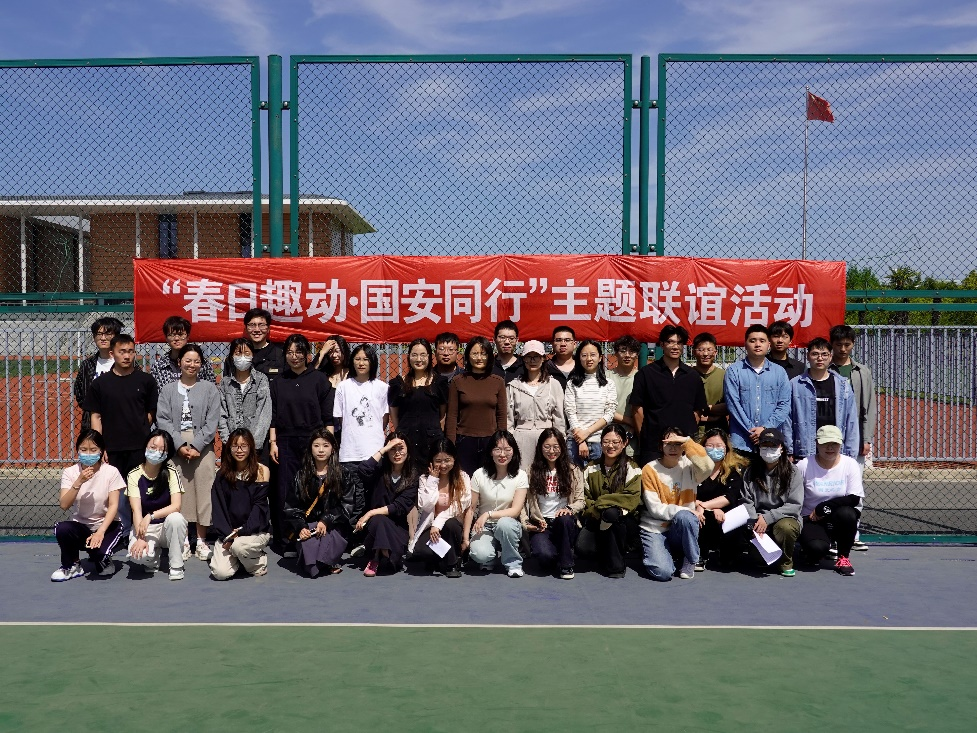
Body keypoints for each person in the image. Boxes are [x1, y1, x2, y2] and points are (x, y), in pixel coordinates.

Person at [83, 333, 158, 538]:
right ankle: (121, 532)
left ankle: (140, 529)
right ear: (112, 353)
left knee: (140, 489)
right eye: (122, 351)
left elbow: (150, 413)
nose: (127, 356)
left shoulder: (146, 380)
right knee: (116, 491)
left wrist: (139, 430)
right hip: (112, 447)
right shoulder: (100, 384)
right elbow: (96, 416)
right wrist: (100, 447)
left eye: (131, 351)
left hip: (139, 447)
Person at [155, 343, 221, 561]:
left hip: (203, 448)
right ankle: (183, 540)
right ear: (179, 362)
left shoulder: (210, 389)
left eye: (196, 361)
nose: (192, 365)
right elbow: (163, 419)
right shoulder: (167, 390)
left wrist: (197, 445)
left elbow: (212, 421)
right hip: (176, 448)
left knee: (204, 490)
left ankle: (201, 540)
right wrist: (179, 444)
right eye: (188, 360)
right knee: (180, 492)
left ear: (201, 365)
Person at [269, 333, 334, 552]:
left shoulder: (319, 379)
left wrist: (328, 445)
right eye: (289, 352)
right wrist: (273, 442)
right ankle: (286, 540)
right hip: (286, 441)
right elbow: (273, 416)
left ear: (307, 354)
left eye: (299, 352)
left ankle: (312, 537)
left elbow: (328, 418)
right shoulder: (279, 382)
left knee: (312, 488)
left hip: (313, 441)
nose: (294, 356)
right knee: (285, 490)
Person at [282, 428, 364, 577]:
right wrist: (301, 527)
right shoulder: (301, 475)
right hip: (309, 526)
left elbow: (347, 505)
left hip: (334, 526)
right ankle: (323, 563)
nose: (321, 450)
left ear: (333, 449)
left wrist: (326, 520)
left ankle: (323, 562)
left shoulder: (343, 474)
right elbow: (291, 508)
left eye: (326, 445)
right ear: (310, 448)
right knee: (311, 557)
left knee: (326, 543)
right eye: (316, 445)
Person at [639, 428, 714, 581]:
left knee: (686, 517)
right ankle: (667, 556)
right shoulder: (649, 469)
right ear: (660, 446)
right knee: (663, 573)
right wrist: (685, 510)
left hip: (680, 525)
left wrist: (687, 442)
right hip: (656, 527)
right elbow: (655, 509)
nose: (673, 448)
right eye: (668, 444)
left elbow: (708, 466)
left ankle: (690, 559)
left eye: (677, 444)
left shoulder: (690, 466)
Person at [52, 429, 125, 580]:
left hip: (107, 525)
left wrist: (100, 532)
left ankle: (103, 559)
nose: (88, 454)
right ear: (77, 450)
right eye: (84, 450)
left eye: (93, 450)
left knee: (100, 553)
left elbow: (113, 505)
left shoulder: (111, 472)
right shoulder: (70, 472)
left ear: (101, 451)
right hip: (82, 525)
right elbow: (64, 505)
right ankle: (72, 565)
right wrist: (79, 481)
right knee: (63, 529)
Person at [629, 325, 706, 465]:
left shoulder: (693, 376)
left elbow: (697, 411)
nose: (675, 346)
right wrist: (645, 438)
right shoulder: (646, 374)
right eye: (670, 342)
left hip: (684, 445)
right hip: (653, 445)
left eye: (679, 343)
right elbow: (637, 409)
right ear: (662, 344)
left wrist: (685, 435)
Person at [829, 324, 876, 552]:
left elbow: (869, 407)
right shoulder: (824, 368)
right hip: (829, 437)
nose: (843, 349)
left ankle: (853, 533)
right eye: (838, 344)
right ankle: (830, 534)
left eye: (847, 344)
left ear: (853, 345)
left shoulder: (861, 372)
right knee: (829, 485)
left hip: (854, 436)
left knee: (854, 486)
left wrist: (866, 438)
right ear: (832, 345)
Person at [797, 425, 864, 576]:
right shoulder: (804, 465)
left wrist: (825, 506)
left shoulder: (850, 464)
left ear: (841, 444)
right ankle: (810, 548)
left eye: (834, 443)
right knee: (816, 550)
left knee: (848, 514)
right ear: (817, 443)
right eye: (825, 443)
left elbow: (854, 498)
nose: (830, 447)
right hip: (812, 518)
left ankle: (843, 557)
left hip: (838, 517)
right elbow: (794, 496)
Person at [124, 429, 188, 580]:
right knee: (138, 556)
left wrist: (151, 516)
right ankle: (152, 558)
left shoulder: (171, 472)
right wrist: (141, 538)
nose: (156, 452)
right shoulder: (134, 474)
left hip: (166, 526)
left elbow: (176, 506)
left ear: (167, 453)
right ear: (146, 446)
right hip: (145, 528)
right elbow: (136, 510)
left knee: (176, 518)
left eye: (162, 449)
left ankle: (176, 565)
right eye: (153, 447)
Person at [209, 428, 272, 580]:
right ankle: (240, 558)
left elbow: (259, 508)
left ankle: (257, 562)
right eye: (235, 446)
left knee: (239, 547)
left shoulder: (261, 471)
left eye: (244, 446)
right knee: (220, 573)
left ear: (251, 447)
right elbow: (219, 509)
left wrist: (242, 532)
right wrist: (228, 535)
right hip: (229, 533)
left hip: (254, 531)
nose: (239, 450)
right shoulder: (222, 475)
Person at [580, 424, 642, 578]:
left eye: (615, 442)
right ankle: (604, 551)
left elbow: (632, 498)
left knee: (612, 514)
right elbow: (584, 498)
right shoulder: (590, 468)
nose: (610, 446)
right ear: (601, 443)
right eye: (606, 442)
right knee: (583, 548)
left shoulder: (632, 468)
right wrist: (597, 510)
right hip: (596, 517)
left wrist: (602, 502)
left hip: (624, 521)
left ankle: (617, 566)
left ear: (624, 443)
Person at [522, 428, 584, 579]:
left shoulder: (573, 470)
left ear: (562, 447)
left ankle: (566, 566)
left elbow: (581, 500)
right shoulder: (530, 471)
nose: (551, 451)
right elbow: (522, 503)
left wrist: (569, 509)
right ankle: (561, 552)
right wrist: (525, 523)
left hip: (564, 523)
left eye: (556, 447)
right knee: (545, 557)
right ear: (540, 447)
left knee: (564, 519)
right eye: (547, 447)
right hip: (541, 524)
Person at [353, 433, 419, 576]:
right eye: (392, 449)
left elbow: (399, 507)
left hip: (397, 526)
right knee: (379, 520)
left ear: (408, 450)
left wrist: (370, 512)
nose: (397, 453)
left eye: (401, 448)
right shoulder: (380, 469)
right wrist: (383, 450)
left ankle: (380, 554)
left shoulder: (413, 476)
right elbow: (362, 470)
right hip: (374, 524)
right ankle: (377, 557)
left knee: (380, 520)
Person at [740, 428, 803, 576]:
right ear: (759, 448)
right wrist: (754, 521)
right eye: (765, 445)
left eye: (773, 446)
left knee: (786, 528)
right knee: (759, 560)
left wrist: (768, 518)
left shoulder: (793, 472)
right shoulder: (750, 471)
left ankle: (786, 562)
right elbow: (746, 500)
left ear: (782, 448)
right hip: (758, 520)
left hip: (784, 518)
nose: (769, 450)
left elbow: (794, 505)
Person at [468, 430, 529, 577]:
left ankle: (513, 563)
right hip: (484, 526)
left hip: (507, 524)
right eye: (497, 449)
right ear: (490, 452)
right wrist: (465, 539)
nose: (502, 454)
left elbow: (515, 510)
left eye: (507, 449)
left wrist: (488, 514)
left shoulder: (520, 475)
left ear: (513, 452)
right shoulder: (479, 474)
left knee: (504, 524)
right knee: (479, 554)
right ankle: (490, 556)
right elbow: (470, 508)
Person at [786, 337, 859, 460]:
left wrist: (850, 453)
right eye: (815, 354)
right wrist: (789, 450)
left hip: (835, 449)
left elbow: (851, 420)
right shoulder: (795, 384)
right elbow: (788, 420)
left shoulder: (842, 385)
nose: (820, 358)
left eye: (824, 354)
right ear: (808, 356)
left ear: (830, 357)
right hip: (805, 449)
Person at [724, 325, 791, 456]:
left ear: (768, 344)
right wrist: (753, 431)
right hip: (741, 442)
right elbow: (733, 405)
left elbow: (784, 405)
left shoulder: (779, 372)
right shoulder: (734, 371)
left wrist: (765, 430)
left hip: (771, 441)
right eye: (752, 340)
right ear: (745, 344)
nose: (757, 344)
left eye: (762, 340)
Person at [410, 439, 472, 578]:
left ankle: (452, 564)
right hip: (431, 527)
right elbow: (425, 505)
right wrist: (432, 480)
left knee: (451, 524)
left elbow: (459, 506)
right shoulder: (424, 479)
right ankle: (441, 558)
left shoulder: (463, 477)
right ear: (431, 461)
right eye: (438, 461)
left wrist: (437, 523)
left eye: (447, 460)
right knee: (421, 552)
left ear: (454, 458)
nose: (443, 465)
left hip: (452, 526)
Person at [445, 336, 507, 476]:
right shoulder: (458, 381)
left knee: (489, 480)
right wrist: (450, 444)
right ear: (468, 356)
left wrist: (501, 440)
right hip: (464, 441)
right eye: (475, 353)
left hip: (491, 440)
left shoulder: (498, 382)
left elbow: (501, 415)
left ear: (489, 356)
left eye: (483, 354)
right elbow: (452, 416)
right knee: (464, 480)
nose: (479, 358)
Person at [387, 338, 447, 474]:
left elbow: (442, 414)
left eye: (423, 355)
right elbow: (394, 413)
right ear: (409, 357)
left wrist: (437, 434)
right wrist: (401, 432)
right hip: (407, 440)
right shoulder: (398, 383)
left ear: (429, 357)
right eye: (414, 355)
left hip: (431, 441)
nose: (419, 359)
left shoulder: (439, 382)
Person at [507, 339, 566, 472]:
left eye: (536, 356)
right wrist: (510, 441)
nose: (532, 360)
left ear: (543, 358)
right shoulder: (514, 385)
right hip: (521, 437)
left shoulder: (553, 384)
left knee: (546, 474)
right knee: (522, 474)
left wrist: (560, 441)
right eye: (529, 356)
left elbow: (559, 418)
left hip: (547, 438)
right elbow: (508, 419)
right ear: (523, 358)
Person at [694, 428, 749, 570]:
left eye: (719, 446)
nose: (715, 449)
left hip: (725, 513)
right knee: (697, 517)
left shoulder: (735, 469)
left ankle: (726, 553)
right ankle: (699, 555)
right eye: (710, 446)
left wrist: (706, 506)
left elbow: (730, 496)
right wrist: (702, 506)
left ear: (726, 448)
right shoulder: (693, 468)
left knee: (728, 561)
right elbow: (688, 493)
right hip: (700, 511)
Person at [564, 339, 617, 468]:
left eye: (593, 355)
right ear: (579, 358)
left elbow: (609, 414)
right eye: (584, 355)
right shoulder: (572, 384)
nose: (589, 359)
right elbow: (570, 412)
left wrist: (586, 433)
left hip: (600, 443)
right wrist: (580, 440)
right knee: (574, 479)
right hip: (574, 444)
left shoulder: (608, 384)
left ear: (600, 358)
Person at [333, 343, 389, 465]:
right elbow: (341, 418)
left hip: (375, 451)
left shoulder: (382, 387)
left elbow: (384, 418)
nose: (361, 363)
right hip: (349, 454)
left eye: (365, 359)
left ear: (372, 361)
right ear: (352, 362)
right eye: (357, 359)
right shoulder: (343, 387)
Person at [219, 338, 272, 455]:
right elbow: (221, 414)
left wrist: (252, 444)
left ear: (252, 355)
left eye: (247, 353)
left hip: (255, 446)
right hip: (231, 446)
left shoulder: (261, 380)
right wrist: (229, 442)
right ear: (232, 356)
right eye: (238, 353)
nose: (242, 357)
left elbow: (264, 414)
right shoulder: (225, 383)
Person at [73, 316, 124, 432]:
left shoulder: (126, 363)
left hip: (120, 422)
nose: (103, 338)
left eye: (108, 334)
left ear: (116, 336)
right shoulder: (87, 365)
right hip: (92, 423)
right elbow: (80, 393)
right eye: (99, 334)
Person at [150, 315, 216, 391]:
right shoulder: (159, 366)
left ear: (188, 336)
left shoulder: (202, 364)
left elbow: (211, 390)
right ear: (166, 338)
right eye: (171, 335)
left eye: (181, 334)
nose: (176, 338)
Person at [221, 308, 285, 381]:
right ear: (245, 329)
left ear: (268, 329)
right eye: (252, 325)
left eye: (261, 325)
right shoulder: (234, 356)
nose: (257, 330)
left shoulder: (281, 355)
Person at [690, 332, 728, 440]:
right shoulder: (687, 375)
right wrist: (713, 410)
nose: (706, 354)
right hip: (692, 431)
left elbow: (730, 406)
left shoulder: (725, 376)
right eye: (701, 350)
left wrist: (703, 410)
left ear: (715, 352)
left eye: (709, 350)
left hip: (719, 432)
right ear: (694, 352)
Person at [607, 335, 639, 451]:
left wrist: (633, 427)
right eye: (623, 351)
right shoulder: (606, 377)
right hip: (608, 437)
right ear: (616, 353)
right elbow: (602, 408)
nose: (627, 355)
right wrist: (630, 421)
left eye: (632, 351)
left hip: (634, 439)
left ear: (637, 355)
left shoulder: (642, 377)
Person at [492, 319, 525, 384]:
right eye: (502, 337)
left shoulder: (525, 366)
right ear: (494, 340)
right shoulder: (488, 366)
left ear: (517, 340)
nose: (507, 342)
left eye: (511, 338)